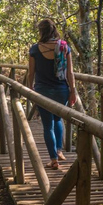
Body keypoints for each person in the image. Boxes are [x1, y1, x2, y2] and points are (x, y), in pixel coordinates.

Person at [27, 18, 77, 170]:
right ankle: (59, 151)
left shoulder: (35, 49)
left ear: (41, 31)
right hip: (62, 90)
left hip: (43, 92)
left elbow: (31, 73)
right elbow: (70, 72)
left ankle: (53, 159)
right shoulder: (64, 47)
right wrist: (73, 90)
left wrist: (29, 89)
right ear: (54, 30)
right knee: (58, 119)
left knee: (47, 125)